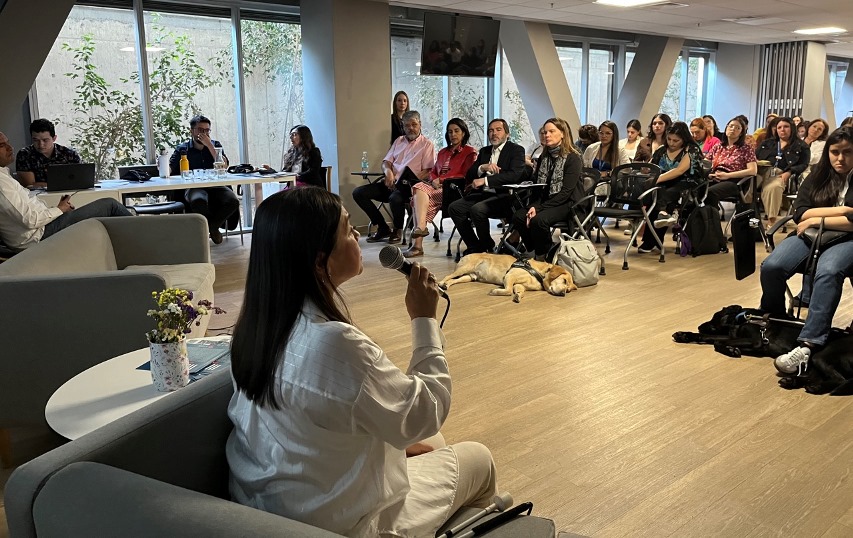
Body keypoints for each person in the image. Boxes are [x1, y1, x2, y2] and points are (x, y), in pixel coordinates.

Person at [226, 187, 497, 537]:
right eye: (348, 228)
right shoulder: (335, 344)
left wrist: (398, 444)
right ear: (320, 260)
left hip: (269, 505)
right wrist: (424, 320)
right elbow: (425, 412)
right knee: (479, 458)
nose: (357, 235)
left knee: (436, 443)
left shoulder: (253, 327)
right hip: (340, 523)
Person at [759, 126, 853, 375]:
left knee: (828, 271)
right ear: (828, 153)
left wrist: (816, 218)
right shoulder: (818, 175)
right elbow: (800, 211)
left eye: (847, 153)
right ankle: (775, 320)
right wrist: (844, 212)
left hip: (848, 239)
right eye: (835, 152)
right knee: (772, 267)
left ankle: (808, 344)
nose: (840, 159)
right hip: (809, 235)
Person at [0, 130, 132, 250]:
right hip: (38, 235)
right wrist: (60, 209)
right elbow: (30, 220)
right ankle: (146, 240)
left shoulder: (4, 175)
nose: (10, 148)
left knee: (102, 215)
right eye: (2, 145)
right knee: (110, 205)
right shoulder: (2, 183)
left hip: (43, 226)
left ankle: (130, 247)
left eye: (8, 143)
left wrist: (57, 209)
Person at [353, 110, 435, 245]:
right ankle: (383, 227)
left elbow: (428, 171)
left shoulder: (427, 145)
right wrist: (388, 173)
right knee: (358, 193)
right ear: (403, 126)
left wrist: (407, 180)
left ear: (420, 124)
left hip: (408, 187)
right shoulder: (399, 141)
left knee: (395, 198)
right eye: (407, 125)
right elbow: (386, 162)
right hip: (391, 183)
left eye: (414, 124)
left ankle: (397, 229)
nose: (410, 128)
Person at [448, 118, 526, 254]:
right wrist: (482, 168)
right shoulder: (485, 151)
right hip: (483, 194)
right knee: (454, 208)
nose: (494, 133)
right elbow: (469, 175)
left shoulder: (516, 150)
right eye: (491, 131)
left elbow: (514, 175)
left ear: (507, 134)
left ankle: (487, 247)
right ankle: (476, 246)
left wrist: (485, 181)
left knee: (477, 209)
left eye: (498, 130)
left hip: (505, 196)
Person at [511, 118, 583, 260]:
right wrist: (534, 206)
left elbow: (566, 192)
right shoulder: (545, 156)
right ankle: (538, 250)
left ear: (563, 133)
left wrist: (539, 208)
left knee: (539, 220)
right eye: (544, 132)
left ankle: (543, 256)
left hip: (569, 203)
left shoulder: (573, 158)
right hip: (547, 200)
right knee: (519, 216)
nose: (546, 135)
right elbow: (538, 187)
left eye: (551, 131)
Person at [405, 118, 476, 258]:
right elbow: (433, 172)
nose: (453, 134)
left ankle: (417, 243)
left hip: (454, 190)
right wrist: (433, 180)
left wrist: (442, 179)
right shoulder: (443, 152)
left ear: (463, 133)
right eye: (450, 132)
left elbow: (466, 175)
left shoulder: (470, 152)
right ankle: (420, 230)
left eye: (456, 131)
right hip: (436, 188)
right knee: (419, 190)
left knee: (419, 200)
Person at [169, 115, 239, 244]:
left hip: (216, 185)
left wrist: (209, 145)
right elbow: (170, 170)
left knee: (233, 201)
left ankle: (213, 227)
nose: (204, 133)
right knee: (198, 200)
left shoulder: (215, 145)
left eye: (207, 130)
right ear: (192, 131)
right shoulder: (182, 149)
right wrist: (161, 165)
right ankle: (210, 228)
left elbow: (224, 165)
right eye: (201, 130)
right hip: (194, 186)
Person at [638, 121, 704, 253]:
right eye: (669, 139)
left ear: (684, 139)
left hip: (688, 185)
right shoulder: (662, 150)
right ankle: (660, 222)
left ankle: (653, 238)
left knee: (665, 195)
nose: (672, 143)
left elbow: (679, 171)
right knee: (654, 195)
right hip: (665, 184)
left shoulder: (691, 149)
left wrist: (656, 180)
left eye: (676, 140)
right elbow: (652, 168)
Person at [755, 116, 810, 230]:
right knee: (746, 187)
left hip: (781, 173)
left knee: (773, 187)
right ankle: (747, 217)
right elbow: (755, 156)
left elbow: (803, 164)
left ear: (792, 129)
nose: (782, 129)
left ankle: (771, 221)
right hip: (761, 171)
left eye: (786, 127)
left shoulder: (801, 145)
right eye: (779, 127)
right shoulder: (768, 143)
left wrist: (790, 172)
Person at [704, 117, 758, 208]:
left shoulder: (746, 148)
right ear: (726, 128)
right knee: (695, 189)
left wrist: (728, 175)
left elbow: (753, 170)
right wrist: (708, 173)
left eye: (737, 128)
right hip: (715, 177)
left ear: (741, 133)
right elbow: (705, 164)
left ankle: (712, 219)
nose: (733, 129)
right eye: (731, 126)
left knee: (710, 192)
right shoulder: (718, 146)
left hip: (734, 181)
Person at [15, 118, 82, 189]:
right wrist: (63, 184)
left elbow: (79, 181)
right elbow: (29, 185)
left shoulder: (69, 154)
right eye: (36, 140)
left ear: (54, 138)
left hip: (68, 194)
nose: (41, 144)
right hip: (36, 197)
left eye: (45, 140)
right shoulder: (25, 154)